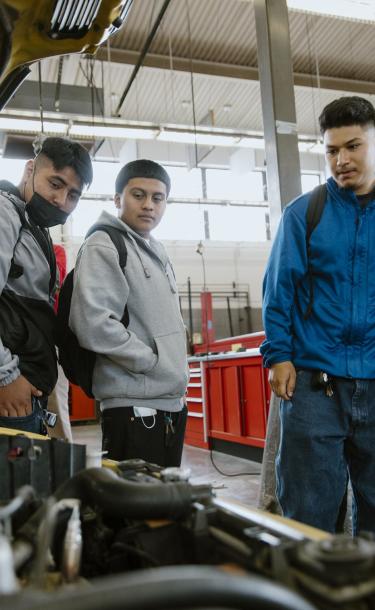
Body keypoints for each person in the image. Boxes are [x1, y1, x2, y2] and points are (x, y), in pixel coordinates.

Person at [260, 95, 375, 535]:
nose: (341, 160)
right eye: (331, 151)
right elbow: (278, 291)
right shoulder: (305, 214)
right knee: (309, 513)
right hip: (314, 386)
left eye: (353, 146)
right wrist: (279, 355)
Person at [70, 159, 188, 466]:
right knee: (138, 509)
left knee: (162, 506)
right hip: (135, 406)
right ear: (117, 198)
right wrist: (152, 361)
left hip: (166, 402)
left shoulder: (155, 250)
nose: (149, 205)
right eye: (138, 195)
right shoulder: (105, 245)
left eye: (157, 198)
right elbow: (93, 324)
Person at [0, 136, 92, 435]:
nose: (61, 200)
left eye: (73, 195)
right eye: (55, 184)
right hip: (10, 396)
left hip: (25, 394)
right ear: (29, 170)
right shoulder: (5, 212)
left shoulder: (34, 227)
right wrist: (6, 377)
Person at [47, 244, 73, 442]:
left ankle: (64, 460)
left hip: (50, 337)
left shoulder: (55, 250)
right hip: (17, 336)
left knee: (55, 403)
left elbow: (52, 282)